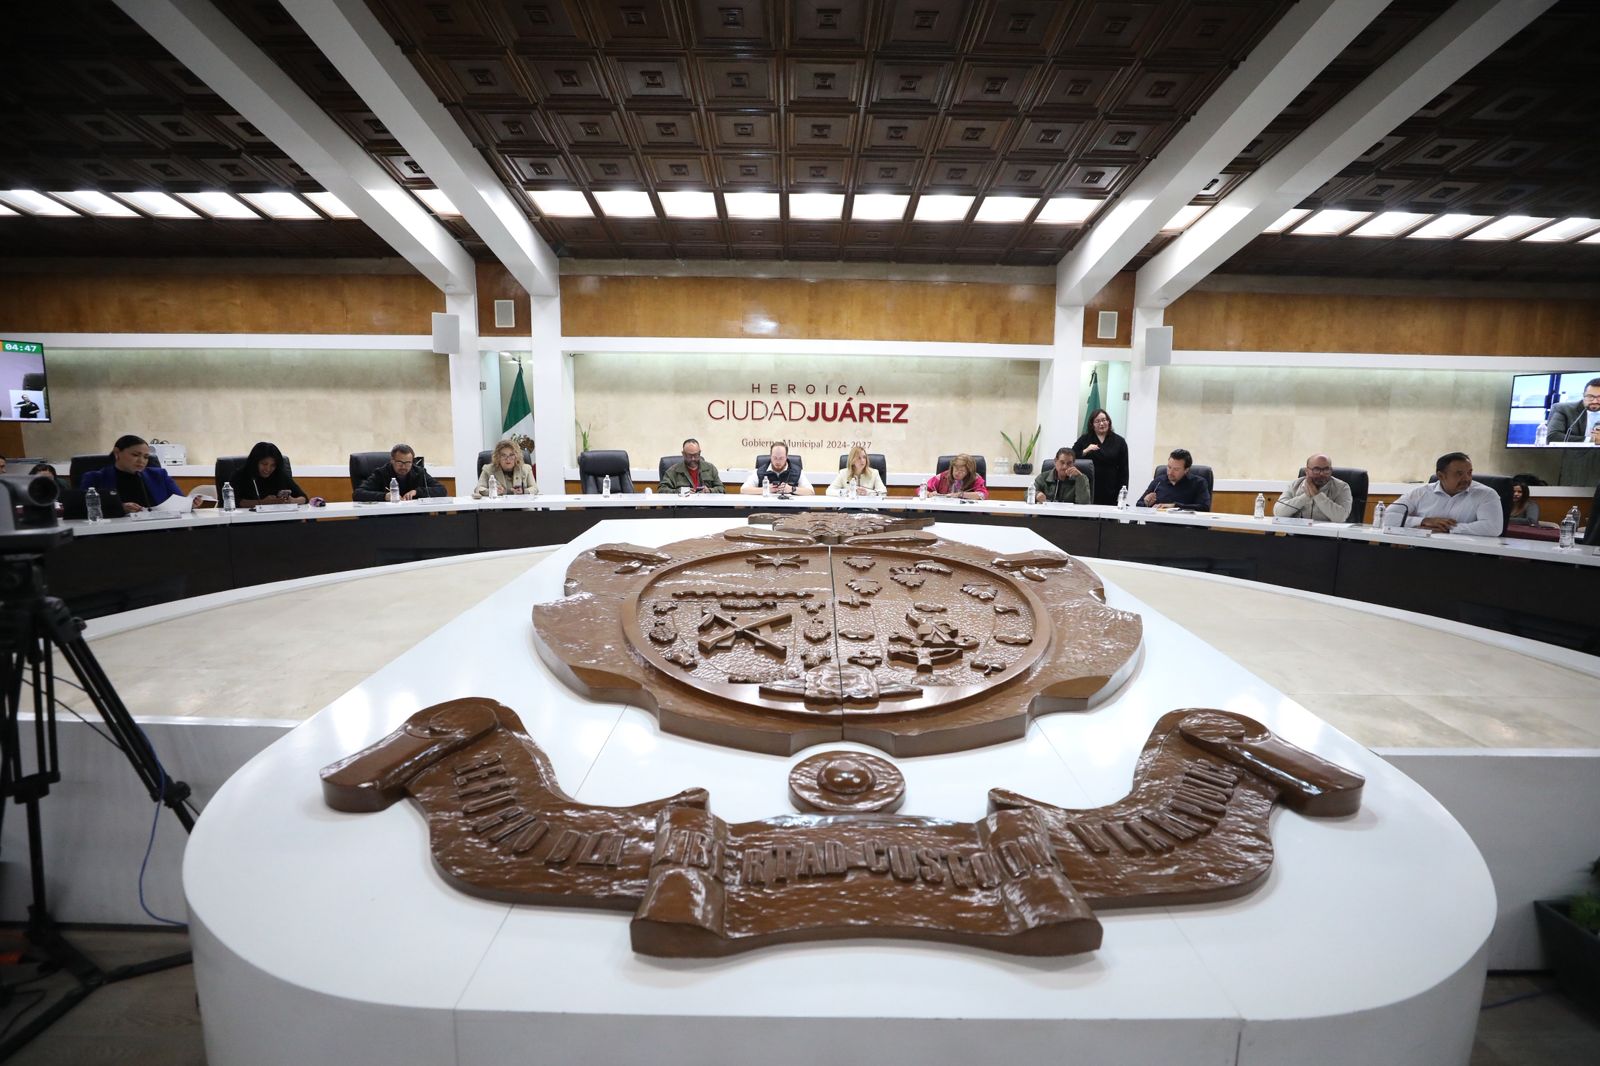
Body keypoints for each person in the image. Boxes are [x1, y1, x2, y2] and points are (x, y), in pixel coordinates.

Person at [1385, 452, 1502, 536]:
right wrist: (1424, 521)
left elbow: (1493, 527)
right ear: (1441, 476)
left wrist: (1448, 529)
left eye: (1469, 473)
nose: (1466, 478)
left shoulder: (1486, 494)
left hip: (1466, 555)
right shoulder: (1420, 493)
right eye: (1459, 474)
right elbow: (1386, 517)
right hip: (1422, 550)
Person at [78, 434, 188, 514]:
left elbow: (180, 502)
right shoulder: (95, 478)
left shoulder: (159, 475)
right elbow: (80, 509)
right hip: (116, 533)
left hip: (159, 530)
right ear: (117, 453)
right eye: (135, 455)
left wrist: (191, 503)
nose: (141, 461)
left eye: (146, 457)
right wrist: (119, 508)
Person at [1071, 408, 1129, 507]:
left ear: (1109, 422)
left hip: (1111, 488)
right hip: (1089, 487)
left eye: (1104, 420)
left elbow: (1124, 470)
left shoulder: (1119, 441)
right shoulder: (1085, 439)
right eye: (1097, 421)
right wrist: (1086, 450)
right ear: (1092, 424)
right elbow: (1072, 456)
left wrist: (1122, 494)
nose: (1101, 423)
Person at [1273, 453, 1352, 522]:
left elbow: (1340, 518)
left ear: (1331, 471)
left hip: (1326, 534)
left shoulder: (1342, 488)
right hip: (1296, 533)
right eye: (1316, 469)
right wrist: (1306, 496)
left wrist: (1317, 495)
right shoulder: (1295, 485)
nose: (1321, 474)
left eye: (1326, 469)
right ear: (1307, 471)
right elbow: (1278, 512)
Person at [354, 443, 446, 502]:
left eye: (408, 463)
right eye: (400, 462)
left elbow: (442, 490)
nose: (404, 466)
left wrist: (417, 492)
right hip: (388, 518)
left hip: (414, 517)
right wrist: (385, 496)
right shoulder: (381, 473)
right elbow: (358, 493)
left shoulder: (419, 472)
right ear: (392, 461)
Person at [228, 441, 308, 507]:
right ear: (255, 462)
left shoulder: (279, 474)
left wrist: (293, 500)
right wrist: (263, 502)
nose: (268, 469)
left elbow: (304, 498)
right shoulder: (240, 475)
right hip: (250, 520)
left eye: (273, 465)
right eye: (264, 464)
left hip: (279, 519)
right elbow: (233, 502)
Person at [1138, 449, 1210, 510]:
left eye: (1176, 469)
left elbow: (1204, 507)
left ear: (1186, 470)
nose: (1170, 472)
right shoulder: (1158, 481)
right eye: (1169, 467)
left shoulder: (1199, 483)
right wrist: (1146, 503)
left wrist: (1175, 506)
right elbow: (1139, 504)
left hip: (1183, 522)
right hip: (1157, 521)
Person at [741, 442, 813, 496]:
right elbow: (743, 489)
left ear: (786, 457)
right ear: (770, 456)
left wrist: (792, 489)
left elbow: (811, 491)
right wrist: (765, 489)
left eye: (781, 458)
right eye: (775, 458)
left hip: (791, 509)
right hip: (765, 509)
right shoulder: (760, 471)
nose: (778, 462)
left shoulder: (797, 471)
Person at [1544, 378, 1600, 443]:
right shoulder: (1563, 409)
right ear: (1583, 395)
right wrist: (1591, 440)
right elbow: (1552, 437)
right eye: (1590, 396)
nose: (1595, 401)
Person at [659, 438, 724, 494]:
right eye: (689, 456)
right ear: (683, 454)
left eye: (696, 455)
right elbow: (662, 490)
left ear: (699, 453)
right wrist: (679, 491)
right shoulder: (673, 471)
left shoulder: (710, 468)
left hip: (705, 504)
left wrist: (709, 490)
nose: (693, 459)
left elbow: (721, 488)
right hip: (683, 504)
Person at [923, 453, 988, 500]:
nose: (957, 473)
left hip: (967, 512)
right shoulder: (942, 476)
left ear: (968, 472)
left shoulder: (975, 478)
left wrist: (960, 494)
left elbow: (982, 495)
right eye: (956, 469)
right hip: (944, 510)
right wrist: (929, 494)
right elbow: (922, 490)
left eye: (962, 471)